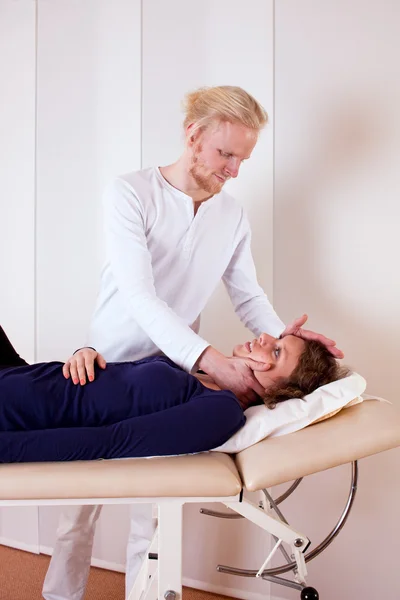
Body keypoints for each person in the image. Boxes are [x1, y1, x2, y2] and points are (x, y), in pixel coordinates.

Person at [43, 85, 344, 600]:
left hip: (175, 380)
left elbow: (249, 298)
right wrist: (208, 358)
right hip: (108, 368)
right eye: (225, 153)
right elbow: (139, 295)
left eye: (243, 159)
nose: (233, 169)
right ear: (193, 135)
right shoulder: (130, 192)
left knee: (153, 519)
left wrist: (287, 341)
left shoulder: (232, 216)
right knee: (77, 514)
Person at [0, 326, 345, 463]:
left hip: (12, 408)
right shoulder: (200, 372)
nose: (267, 337)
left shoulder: (220, 410)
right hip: (21, 373)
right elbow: (113, 380)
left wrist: (8, 450)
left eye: (276, 352)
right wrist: (85, 351)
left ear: (281, 390)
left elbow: (110, 441)